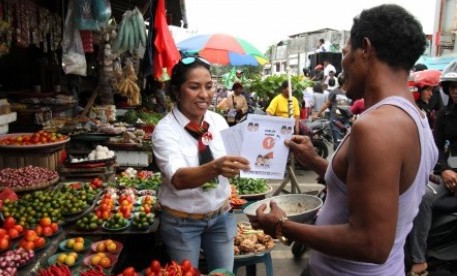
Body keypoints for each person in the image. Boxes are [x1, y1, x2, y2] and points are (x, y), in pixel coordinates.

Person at [249, 4, 438, 275]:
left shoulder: (376, 127)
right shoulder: (416, 118)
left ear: (365, 49)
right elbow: (375, 189)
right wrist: (315, 161)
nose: (342, 66)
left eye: (344, 54)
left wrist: (281, 226)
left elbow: (371, 244)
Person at [151, 55, 250, 272]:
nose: (204, 95)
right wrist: (215, 167)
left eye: (209, 86)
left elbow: (235, 159)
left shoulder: (217, 121)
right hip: (182, 224)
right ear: (177, 91)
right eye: (194, 87)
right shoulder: (165, 131)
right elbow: (178, 178)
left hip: (221, 217)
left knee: (224, 273)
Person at [406, 60, 457, 276]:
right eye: (453, 87)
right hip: (448, 172)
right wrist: (444, 169)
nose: (455, 91)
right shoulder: (444, 115)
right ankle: (419, 259)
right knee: (422, 196)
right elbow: (435, 146)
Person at [312, 75, 350, 150]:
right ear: (343, 82)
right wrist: (317, 114)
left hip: (347, 120)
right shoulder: (334, 92)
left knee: (347, 142)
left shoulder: (351, 92)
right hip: (336, 120)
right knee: (338, 142)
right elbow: (327, 104)